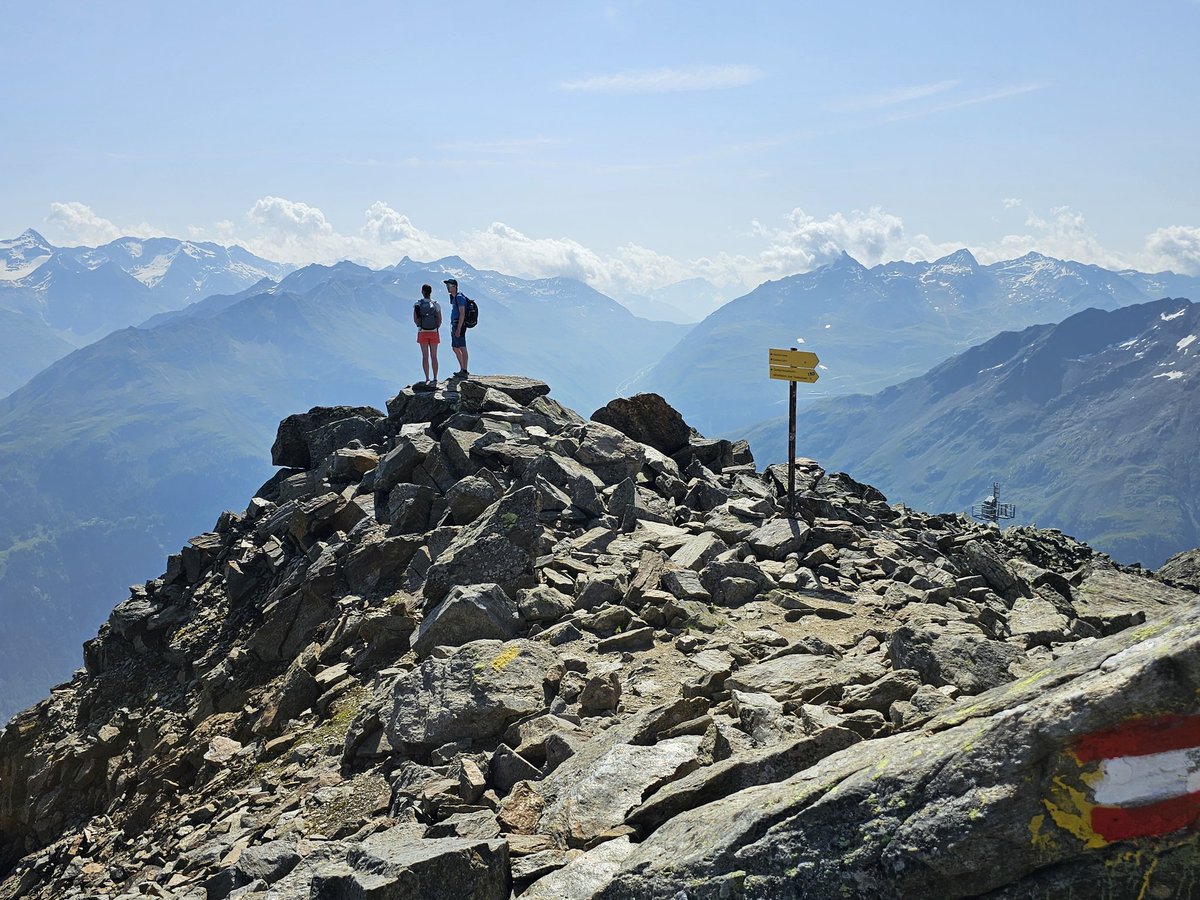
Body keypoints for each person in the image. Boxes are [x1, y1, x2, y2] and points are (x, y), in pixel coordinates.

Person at [413, 283, 442, 386]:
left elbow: (415, 319)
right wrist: (436, 328)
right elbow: (440, 319)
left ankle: (427, 378)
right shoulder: (436, 304)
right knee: (434, 356)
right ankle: (435, 378)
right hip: (434, 332)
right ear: (431, 292)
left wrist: (420, 326)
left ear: (422, 292)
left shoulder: (417, 304)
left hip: (422, 332)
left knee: (425, 356)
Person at [444, 277, 469, 378]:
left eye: (449, 285)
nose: (447, 287)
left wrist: (459, 328)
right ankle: (462, 369)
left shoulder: (459, 297)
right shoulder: (454, 298)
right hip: (455, 325)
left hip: (459, 324)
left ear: (454, 287)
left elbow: (462, 313)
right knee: (455, 348)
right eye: (447, 285)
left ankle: (464, 370)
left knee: (462, 347)